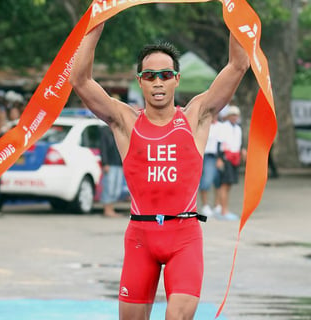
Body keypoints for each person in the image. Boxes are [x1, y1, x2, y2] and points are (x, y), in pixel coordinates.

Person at [70, 22, 249, 320]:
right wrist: (96, 23)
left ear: (176, 79)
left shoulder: (196, 117)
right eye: (149, 76)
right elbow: (80, 80)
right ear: (140, 81)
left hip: (185, 237)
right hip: (141, 237)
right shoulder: (125, 122)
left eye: (165, 75)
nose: (158, 82)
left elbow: (238, 64)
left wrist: (235, 12)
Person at [217, 105, 246, 221]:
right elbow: (219, 143)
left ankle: (223, 208)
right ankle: (223, 210)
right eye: (232, 115)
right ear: (228, 116)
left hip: (235, 157)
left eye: (236, 115)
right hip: (226, 157)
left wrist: (242, 151)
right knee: (224, 184)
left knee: (229, 185)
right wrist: (219, 158)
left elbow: (238, 142)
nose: (234, 117)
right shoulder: (224, 127)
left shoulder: (238, 128)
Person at [198, 113, 223, 217]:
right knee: (206, 181)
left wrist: (220, 158)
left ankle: (217, 205)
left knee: (218, 181)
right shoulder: (202, 126)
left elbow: (221, 142)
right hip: (205, 156)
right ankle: (205, 205)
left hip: (216, 156)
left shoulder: (220, 126)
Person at [100, 124, 124, 217]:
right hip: (109, 164)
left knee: (116, 189)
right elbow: (103, 148)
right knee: (108, 187)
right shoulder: (105, 132)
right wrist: (105, 163)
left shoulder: (119, 131)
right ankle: (107, 210)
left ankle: (111, 209)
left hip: (119, 164)